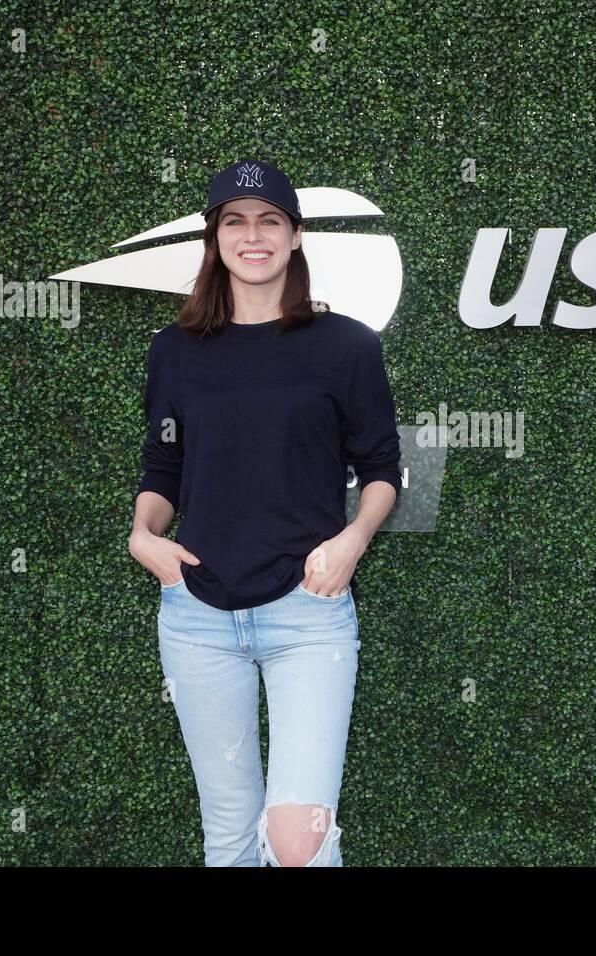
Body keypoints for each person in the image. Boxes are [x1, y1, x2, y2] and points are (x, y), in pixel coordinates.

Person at [127, 158, 402, 866]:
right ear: (215, 238)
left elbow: (380, 472)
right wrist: (143, 534)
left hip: (309, 611)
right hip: (196, 616)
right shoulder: (174, 352)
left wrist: (353, 540)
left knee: (296, 841)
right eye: (236, 222)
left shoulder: (346, 345)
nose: (254, 236)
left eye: (269, 221)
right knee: (228, 837)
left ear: (296, 235)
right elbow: (164, 469)